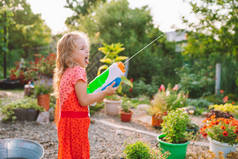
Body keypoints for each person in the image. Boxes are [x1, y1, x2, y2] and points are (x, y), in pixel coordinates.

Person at [53, 31, 117, 159]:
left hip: (66, 123)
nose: (87, 51)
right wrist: (104, 93)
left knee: (68, 154)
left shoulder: (66, 73)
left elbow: (75, 99)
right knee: (78, 154)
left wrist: (96, 95)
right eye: (82, 49)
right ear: (69, 56)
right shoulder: (78, 71)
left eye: (87, 48)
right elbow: (84, 100)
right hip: (76, 124)